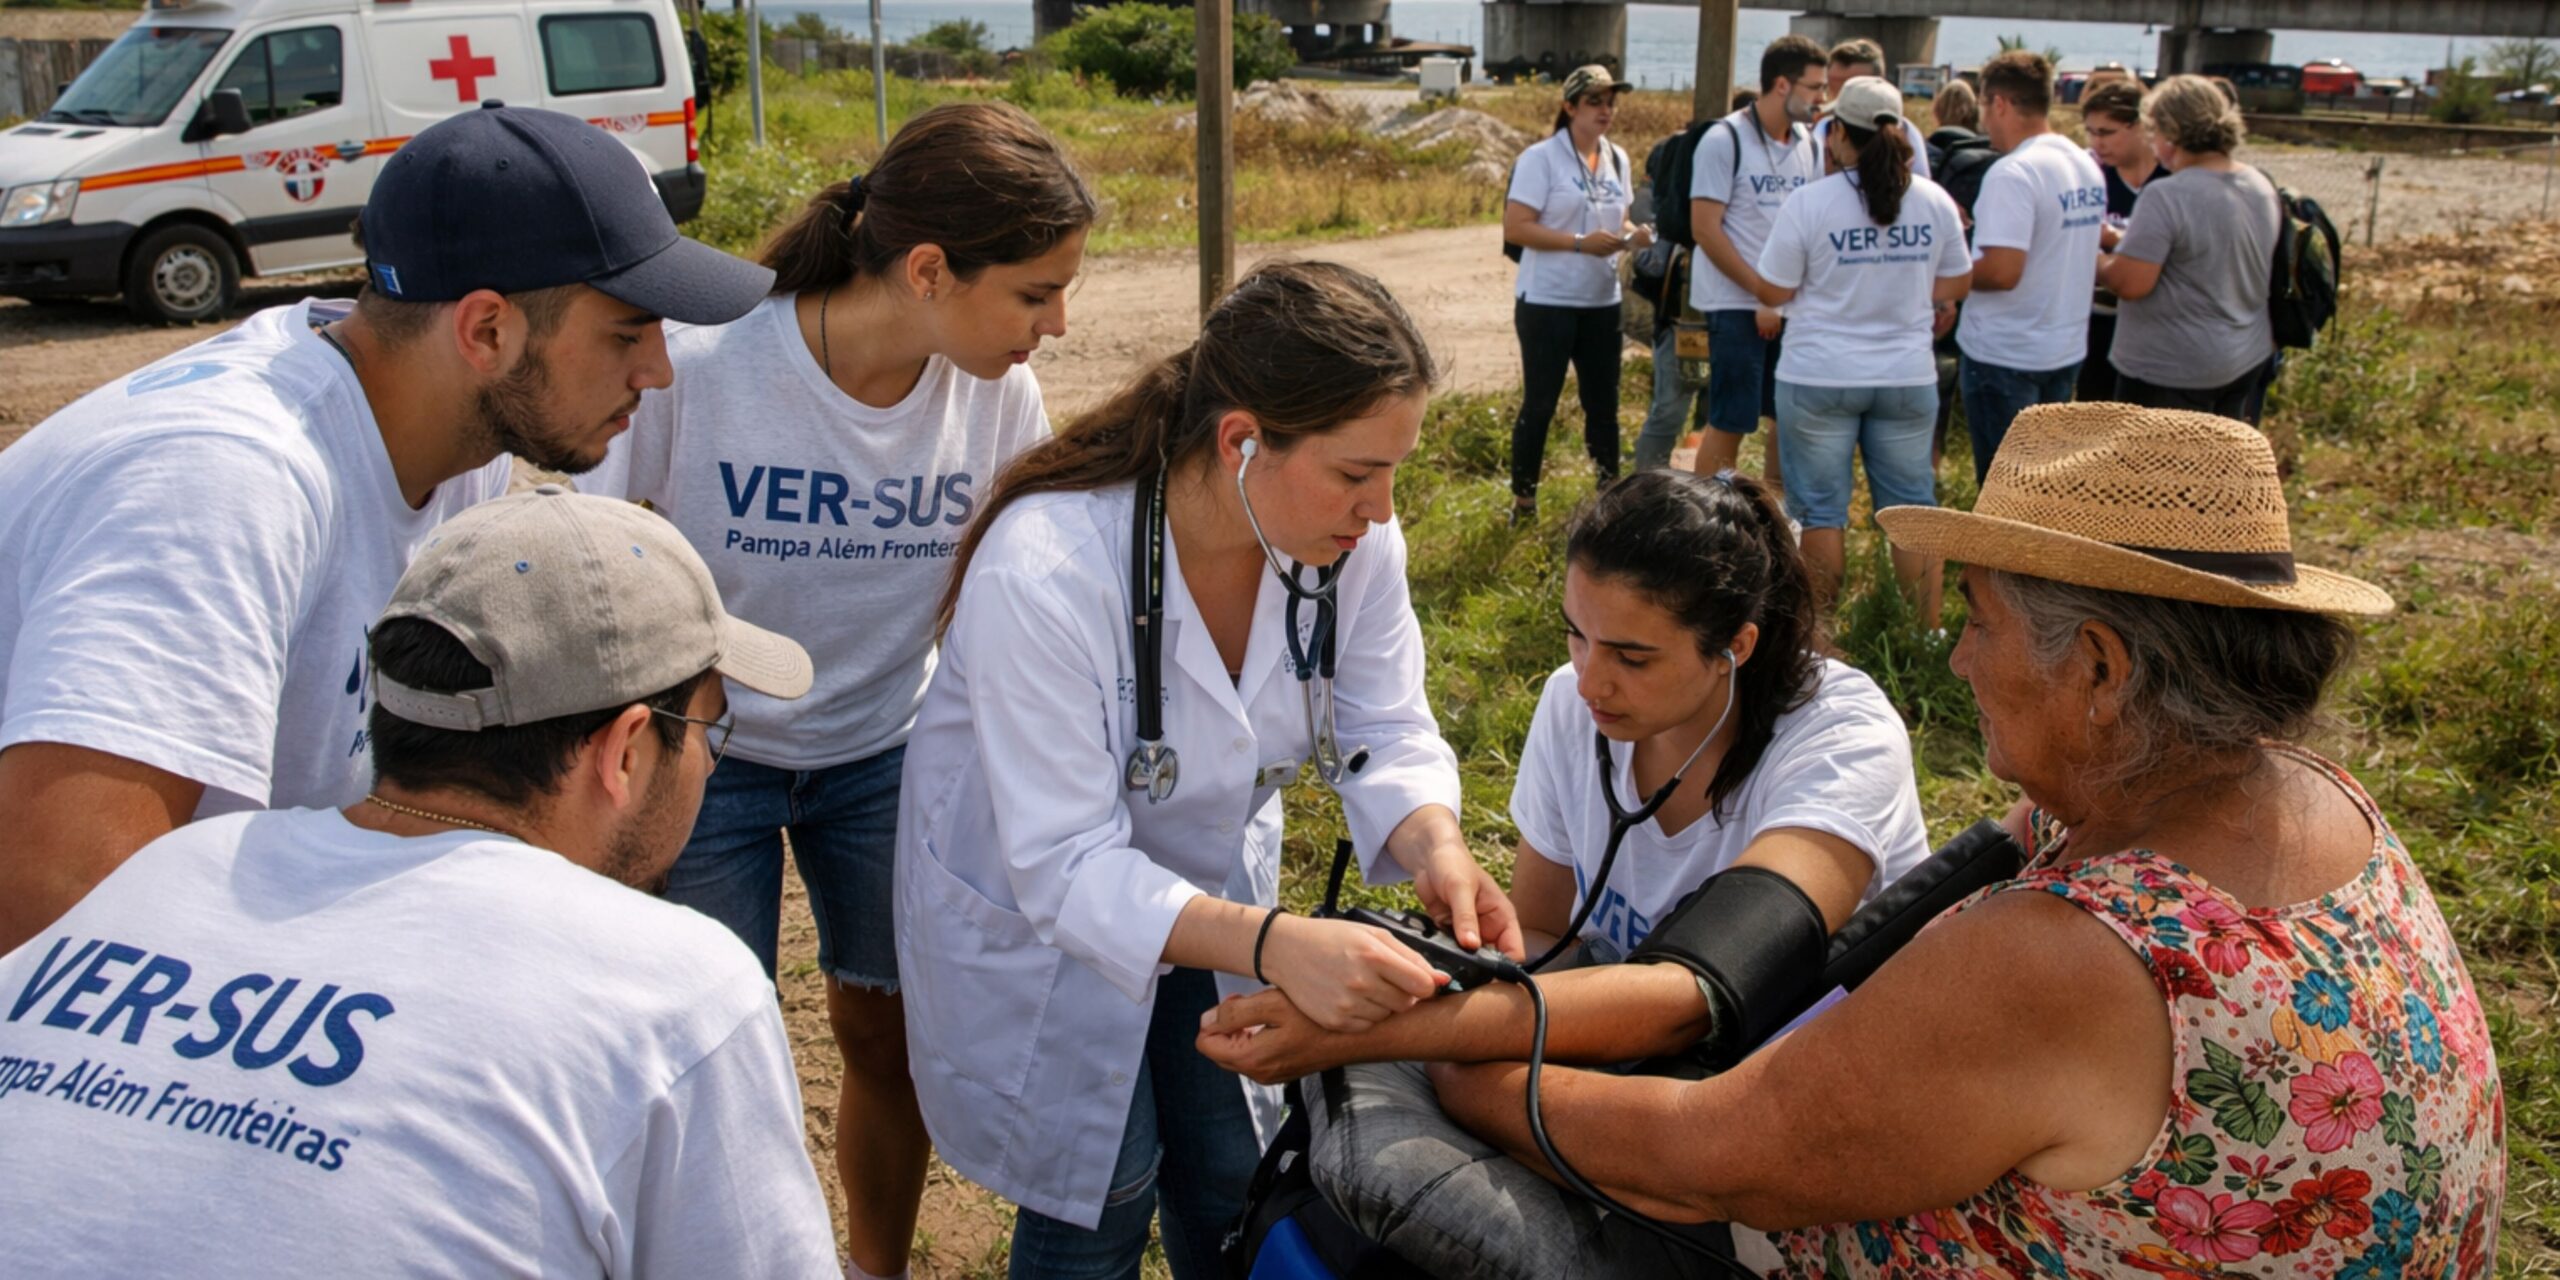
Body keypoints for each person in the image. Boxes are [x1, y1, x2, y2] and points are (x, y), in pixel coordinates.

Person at [1423, 404, 2507, 1278]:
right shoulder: (2312, 799)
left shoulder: (2083, 949)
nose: (1956, 664)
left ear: (2097, 667)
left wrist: (1450, 1070)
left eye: (1979, 619)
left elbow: (1704, 1159)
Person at [0, 487, 841, 1276]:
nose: (705, 758)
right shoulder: (672, 988)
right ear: (624, 750)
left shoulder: (171, 873)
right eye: (704, 726)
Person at [0, 103, 772, 955]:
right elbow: (57, 909)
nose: (658, 370)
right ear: (486, 329)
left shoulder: (460, 435)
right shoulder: (226, 483)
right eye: (627, 331)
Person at [895, 261, 1526, 1279]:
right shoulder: (1048, 566)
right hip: (1046, 920)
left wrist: (1433, 841)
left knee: (1230, 1167)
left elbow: (1385, 721)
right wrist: (1281, 942)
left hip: (1210, 889)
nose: (1380, 508)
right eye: (1356, 472)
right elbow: (1062, 861)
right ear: (1241, 442)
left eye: (1392, 473)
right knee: (1100, 1193)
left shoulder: (1350, 541)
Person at [578, 100, 1094, 1280]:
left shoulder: (994, 396)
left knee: (886, 1029)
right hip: (705, 760)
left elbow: (1037, 577)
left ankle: (872, 1265)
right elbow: (590, 548)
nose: (1058, 325)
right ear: (926, 270)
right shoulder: (705, 365)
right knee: (713, 1048)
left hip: (883, 754)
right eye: (1033, 292)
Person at [1197, 469, 1933, 1280]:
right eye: (1576, 634)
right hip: (1621, 1083)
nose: (1589, 679)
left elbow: (1696, 992)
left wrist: (1389, 1033)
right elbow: (1544, 931)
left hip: (1769, 1111)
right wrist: (1442, 971)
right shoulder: (1573, 706)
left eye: (1632, 655)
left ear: (1738, 646)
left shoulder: (1841, 742)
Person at [1751, 77, 1970, 624]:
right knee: (1912, 510)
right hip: (1905, 375)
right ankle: (1925, 632)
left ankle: (1819, 633)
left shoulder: (1811, 203)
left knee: (1819, 511)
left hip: (1819, 374)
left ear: (1836, 134)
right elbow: (1957, 283)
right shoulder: (1933, 199)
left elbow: (1772, 291)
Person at [1504, 64, 1654, 525]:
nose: (1606, 110)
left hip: (1600, 301)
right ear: (1569, 107)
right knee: (1541, 403)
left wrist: (1635, 235)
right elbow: (1517, 227)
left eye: (1611, 102)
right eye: (1595, 102)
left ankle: (1608, 498)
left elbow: (1618, 219)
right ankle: (1524, 502)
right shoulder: (1541, 158)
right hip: (1547, 301)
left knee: (1603, 405)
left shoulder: (1618, 158)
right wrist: (1576, 243)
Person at [1680, 34, 1827, 482]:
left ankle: (1775, 524)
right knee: (1731, 419)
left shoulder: (1809, 142)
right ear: (1782, 85)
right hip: (1735, 304)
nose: (1823, 98)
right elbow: (1704, 228)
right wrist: (1762, 291)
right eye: (1814, 87)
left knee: (1786, 419)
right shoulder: (1725, 139)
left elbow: (1812, 224)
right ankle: (1709, 519)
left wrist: (1785, 298)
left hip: (1787, 305)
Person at [1954, 51, 2106, 484]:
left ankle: (2005, 555)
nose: (1984, 121)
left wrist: (1942, 274)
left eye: (1984, 108)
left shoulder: (2014, 172)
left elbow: (2002, 271)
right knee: (2046, 485)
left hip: (2005, 353)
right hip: (2063, 347)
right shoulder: (2083, 163)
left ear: (1999, 103)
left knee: (2006, 487)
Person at [2099, 75, 2281, 422]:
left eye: (2154, 132)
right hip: (2244, 355)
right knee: (2214, 472)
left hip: (2172, 369)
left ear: (2171, 133)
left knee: (2159, 475)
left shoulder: (2167, 194)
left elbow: (2130, 283)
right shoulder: (2258, 183)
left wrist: (2092, 258)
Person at [2078, 79, 2158, 403]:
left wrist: (2116, 239)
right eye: (2091, 132)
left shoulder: (2170, 177)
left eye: (2107, 133)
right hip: (2094, 321)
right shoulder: (2088, 171)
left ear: (2141, 126)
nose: (2097, 143)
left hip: (2151, 325)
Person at [1812, 39, 1934, 182]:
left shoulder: (1906, 133)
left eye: (1856, 86)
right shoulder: (1812, 134)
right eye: (1833, 87)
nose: (1842, 99)